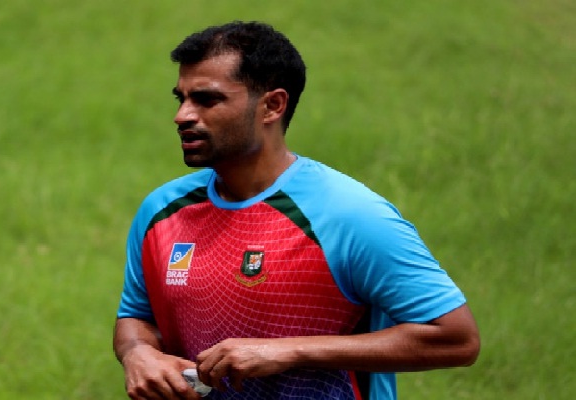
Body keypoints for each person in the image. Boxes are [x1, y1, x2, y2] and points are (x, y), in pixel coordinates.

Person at [113, 21, 480, 400]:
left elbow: (456, 338)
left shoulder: (349, 215)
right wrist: (137, 352)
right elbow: (136, 315)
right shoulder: (162, 211)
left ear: (272, 105)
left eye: (207, 100)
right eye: (182, 98)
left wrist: (289, 351)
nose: (183, 115)